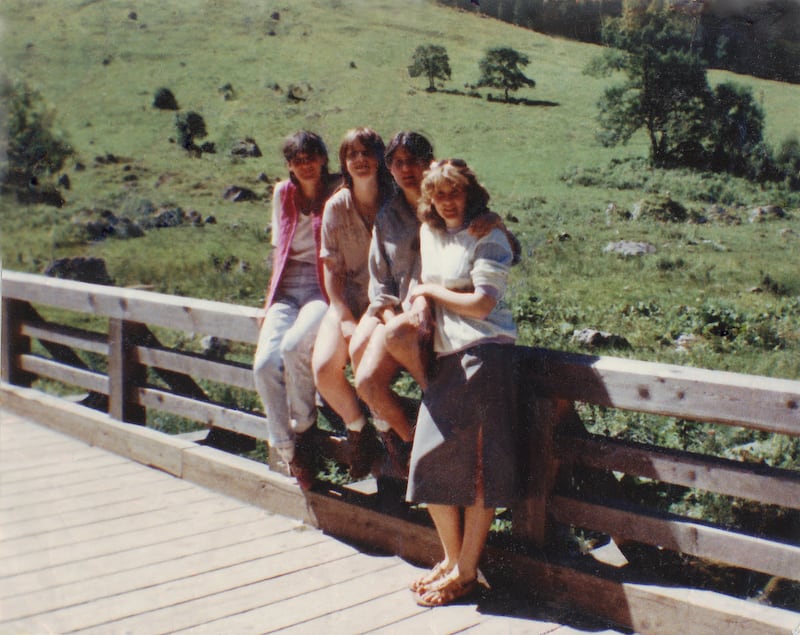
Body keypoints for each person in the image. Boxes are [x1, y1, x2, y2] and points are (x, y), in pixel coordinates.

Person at [404, 159, 519, 607]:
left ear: (470, 193)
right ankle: (453, 561)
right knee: (429, 459)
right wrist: (418, 293)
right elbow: (425, 279)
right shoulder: (430, 233)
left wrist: (427, 293)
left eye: (456, 191)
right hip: (446, 358)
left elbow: (481, 305)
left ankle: (466, 572)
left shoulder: (487, 235)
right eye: (440, 192)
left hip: (484, 355)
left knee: (479, 473)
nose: (448, 200)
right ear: (429, 197)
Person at [252, 130, 337, 491]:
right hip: (286, 289)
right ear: (289, 165)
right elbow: (279, 249)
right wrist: (268, 299)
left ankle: (304, 428)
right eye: (296, 160)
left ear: (322, 159)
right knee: (264, 364)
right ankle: (287, 449)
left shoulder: (336, 191)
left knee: (294, 346)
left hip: (322, 286)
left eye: (310, 158)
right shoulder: (282, 193)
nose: (304, 165)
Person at [312, 127, 394, 479]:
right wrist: (341, 312)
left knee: (366, 362)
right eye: (352, 154)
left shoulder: (396, 201)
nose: (360, 160)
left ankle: (388, 431)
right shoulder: (336, 206)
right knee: (324, 370)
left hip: (385, 304)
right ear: (344, 163)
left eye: (367, 152)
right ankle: (358, 428)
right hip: (347, 301)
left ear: (380, 158)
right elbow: (331, 269)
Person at [351, 131, 435, 476]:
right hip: (401, 317)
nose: (405, 169)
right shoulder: (388, 215)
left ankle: (438, 436)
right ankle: (416, 447)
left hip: (444, 312)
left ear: (428, 162)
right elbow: (381, 281)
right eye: (397, 162)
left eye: (413, 160)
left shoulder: (447, 198)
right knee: (367, 383)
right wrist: (387, 318)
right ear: (390, 168)